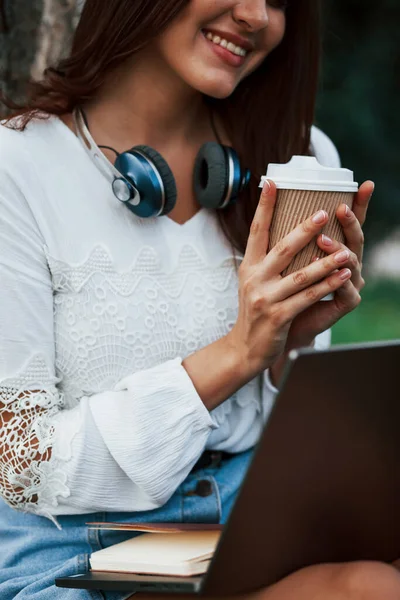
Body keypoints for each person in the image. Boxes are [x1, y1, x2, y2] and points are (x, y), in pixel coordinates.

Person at [0, 0, 398, 598]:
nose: (256, 14)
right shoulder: (19, 166)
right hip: (75, 553)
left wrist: (296, 340)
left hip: (251, 519)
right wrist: (237, 353)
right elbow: (23, 466)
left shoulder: (301, 160)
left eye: (282, 1)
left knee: (375, 585)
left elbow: (284, 432)